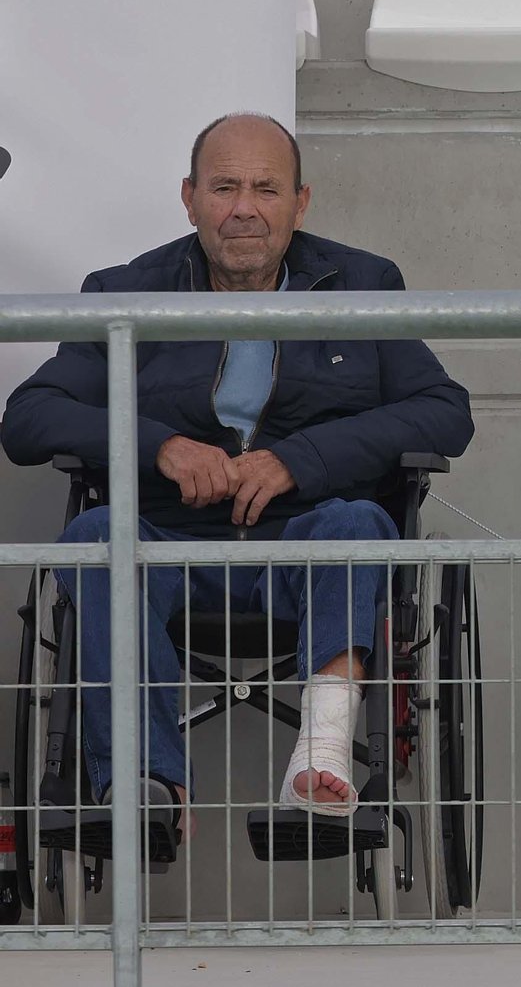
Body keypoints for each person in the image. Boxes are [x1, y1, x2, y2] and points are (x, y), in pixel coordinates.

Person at [1, 113, 475, 842]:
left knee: (357, 525)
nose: (245, 208)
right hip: (167, 544)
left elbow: (446, 414)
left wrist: (301, 459)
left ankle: (322, 763)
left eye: (266, 188)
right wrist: (160, 446)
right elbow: (29, 418)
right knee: (95, 535)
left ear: (300, 202)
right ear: (189, 198)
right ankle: (147, 787)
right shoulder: (126, 291)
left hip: (304, 540)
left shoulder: (363, 284)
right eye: (224, 187)